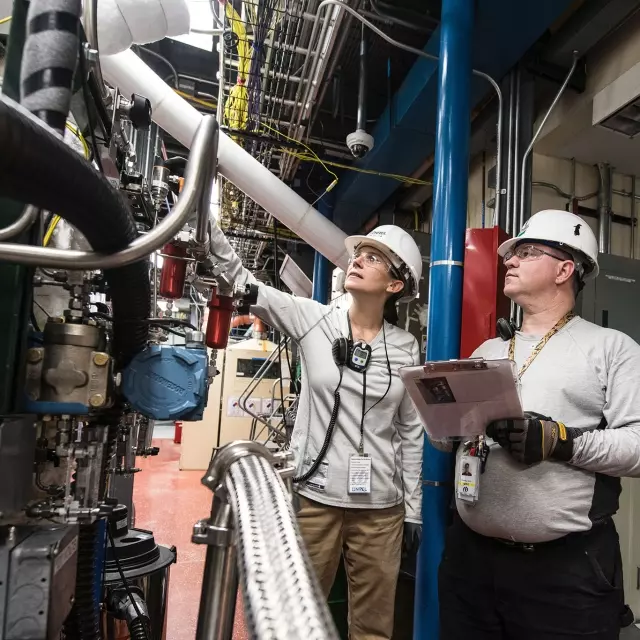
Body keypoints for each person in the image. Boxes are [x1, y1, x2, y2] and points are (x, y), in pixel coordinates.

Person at [208, 222, 425, 640]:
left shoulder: (405, 346)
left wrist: (413, 509)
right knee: (296, 617)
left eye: (374, 257)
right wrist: (208, 230)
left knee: (374, 628)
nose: (358, 260)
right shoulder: (313, 319)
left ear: (396, 285)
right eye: (358, 254)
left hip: (381, 510)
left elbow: (410, 432)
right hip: (315, 501)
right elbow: (243, 282)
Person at [438, 209, 640, 640]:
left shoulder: (611, 349)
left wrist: (559, 441)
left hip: (564, 574)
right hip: (469, 563)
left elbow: (637, 446)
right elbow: (448, 440)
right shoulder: (489, 348)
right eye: (512, 255)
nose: (508, 261)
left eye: (526, 253)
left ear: (565, 269)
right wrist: (449, 430)